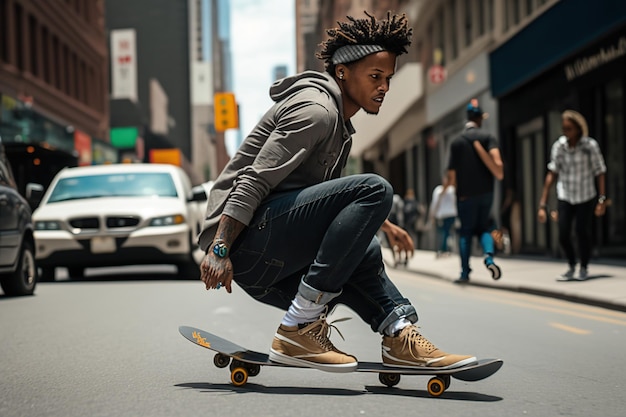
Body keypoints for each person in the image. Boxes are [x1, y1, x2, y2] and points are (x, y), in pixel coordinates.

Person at [198, 11, 476, 373]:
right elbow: (254, 181)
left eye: (388, 79)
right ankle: (298, 326)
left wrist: (383, 226)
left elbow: (328, 204)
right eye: (375, 77)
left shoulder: (340, 127)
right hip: (245, 249)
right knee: (376, 187)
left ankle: (398, 332)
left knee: (364, 246)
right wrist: (220, 249)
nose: (384, 88)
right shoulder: (316, 113)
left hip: (272, 257)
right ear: (342, 72)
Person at [537, 110, 607, 280]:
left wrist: (602, 199)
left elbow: (600, 172)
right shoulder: (559, 146)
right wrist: (542, 203)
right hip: (566, 194)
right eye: (564, 128)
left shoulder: (590, 146)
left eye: (569, 128)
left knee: (582, 231)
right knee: (563, 233)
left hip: (586, 194)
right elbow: (552, 174)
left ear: (578, 128)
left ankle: (583, 266)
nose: (566, 132)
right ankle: (571, 264)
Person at [446, 99, 504, 283]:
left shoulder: (457, 142)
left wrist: (456, 192)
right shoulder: (488, 137)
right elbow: (498, 165)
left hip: (465, 195)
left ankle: (465, 273)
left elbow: (452, 175)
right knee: (484, 228)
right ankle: (488, 258)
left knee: (466, 232)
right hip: (486, 193)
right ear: (479, 118)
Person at [429, 176, 457, 258]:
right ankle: (445, 248)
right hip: (444, 215)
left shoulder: (452, 190)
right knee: (445, 232)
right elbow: (435, 203)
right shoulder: (439, 190)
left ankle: (444, 249)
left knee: (445, 232)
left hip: (448, 215)